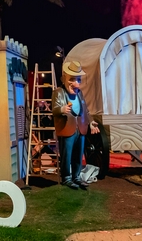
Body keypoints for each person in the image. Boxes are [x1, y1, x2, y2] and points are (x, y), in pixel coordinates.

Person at [52, 60, 99, 190]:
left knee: (79, 154)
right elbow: (54, 109)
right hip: (67, 128)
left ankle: (76, 176)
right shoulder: (58, 92)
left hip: (80, 128)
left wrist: (90, 122)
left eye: (78, 80)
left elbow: (85, 110)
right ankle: (66, 177)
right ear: (64, 79)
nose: (76, 83)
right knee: (67, 155)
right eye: (72, 79)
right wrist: (61, 109)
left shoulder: (79, 93)